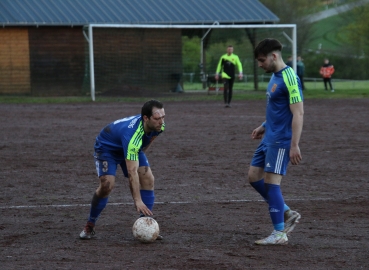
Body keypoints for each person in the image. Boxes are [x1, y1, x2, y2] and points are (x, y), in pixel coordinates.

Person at [79, 100, 165, 240]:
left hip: (131, 146)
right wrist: (137, 200)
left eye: (163, 117)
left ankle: (146, 224)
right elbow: (132, 172)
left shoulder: (159, 126)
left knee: (147, 177)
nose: (161, 121)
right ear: (146, 118)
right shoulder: (132, 135)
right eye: (157, 118)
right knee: (107, 185)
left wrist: (138, 156)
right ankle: (90, 224)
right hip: (108, 148)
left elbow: (148, 141)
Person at [248, 38, 304, 245]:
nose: (260, 64)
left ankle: (279, 233)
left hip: (280, 140)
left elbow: (298, 113)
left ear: (274, 56)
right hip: (269, 136)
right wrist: (263, 125)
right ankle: (287, 212)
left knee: (272, 184)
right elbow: (277, 108)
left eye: (262, 60)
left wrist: (294, 144)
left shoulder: (290, 77)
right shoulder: (274, 76)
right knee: (254, 177)